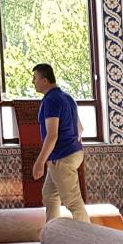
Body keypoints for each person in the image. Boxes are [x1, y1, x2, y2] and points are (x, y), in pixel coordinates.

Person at [29, 63, 89, 222]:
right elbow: (80, 128)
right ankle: (52, 233)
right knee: (50, 196)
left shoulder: (51, 100)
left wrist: (40, 162)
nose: (33, 81)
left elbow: (52, 135)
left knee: (73, 202)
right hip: (71, 153)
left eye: (35, 78)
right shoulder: (67, 97)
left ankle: (89, 237)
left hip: (62, 157)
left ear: (45, 80)